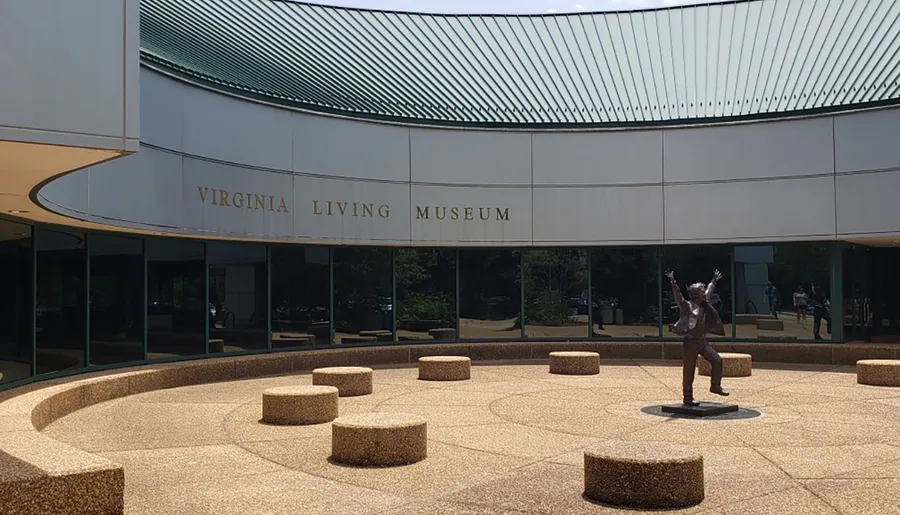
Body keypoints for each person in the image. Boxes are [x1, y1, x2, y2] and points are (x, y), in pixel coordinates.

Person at [666, 269, 730, 406]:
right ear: (696, 295)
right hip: (690, 343)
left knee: (717, 360)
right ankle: (688, 397)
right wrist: (673, 282)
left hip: (702, 341)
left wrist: (714, 280)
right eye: (702, 291)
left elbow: (710, 290)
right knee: (689, 371)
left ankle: (715, 386)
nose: (704, 293)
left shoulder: (704, 304)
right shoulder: (687, 306)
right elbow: (678, 297)